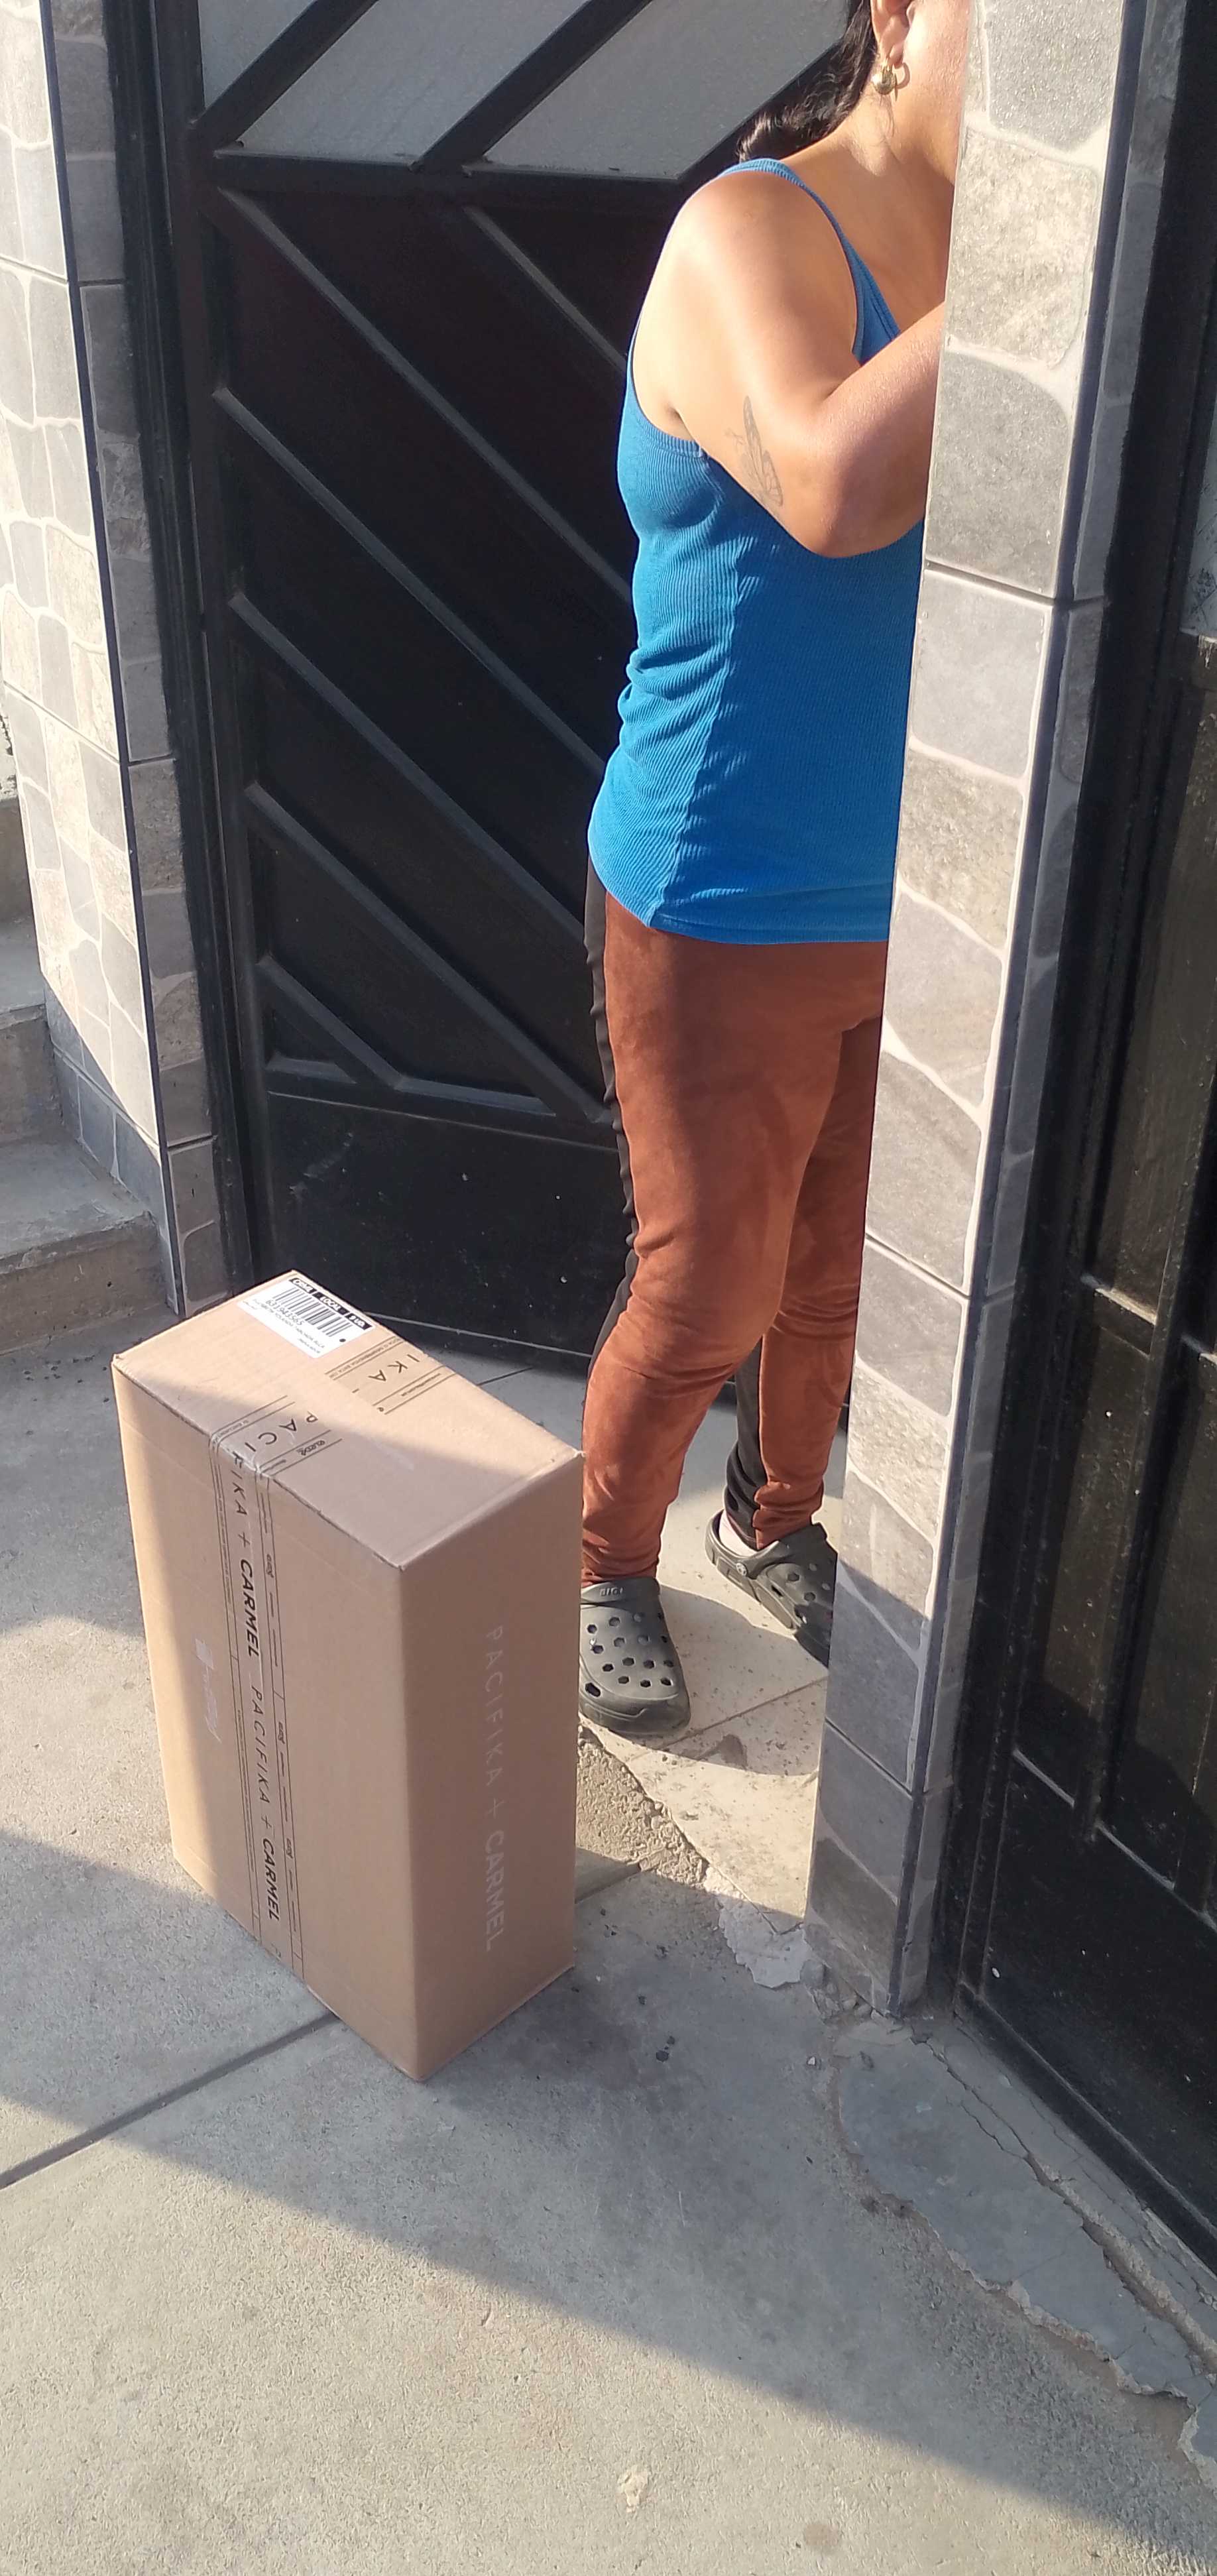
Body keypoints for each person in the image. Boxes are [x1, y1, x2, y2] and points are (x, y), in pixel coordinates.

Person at [579, 0, 968, 1739]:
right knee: (711, 1282)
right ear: (898, 18)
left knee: (842, 1274)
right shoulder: (753, 227)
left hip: (920, 895)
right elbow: (830, 483)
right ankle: (601, 1558)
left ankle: (770, 1520)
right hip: (722, 890)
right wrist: (1052, 258)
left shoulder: (982, 267)